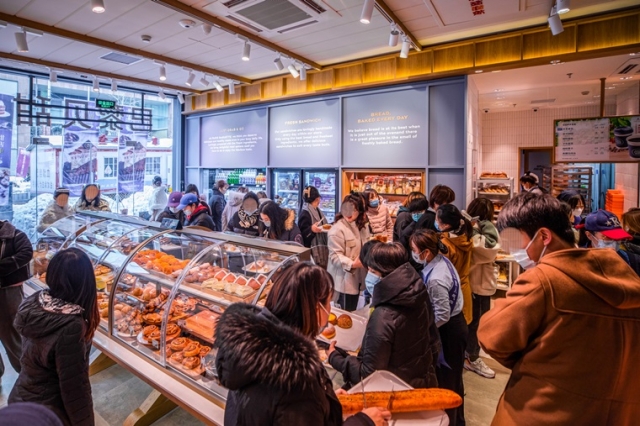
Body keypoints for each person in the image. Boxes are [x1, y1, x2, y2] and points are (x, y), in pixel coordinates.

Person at [478, 193, 640, 425]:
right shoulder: (627, 278)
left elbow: (492, 337)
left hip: (544, 411)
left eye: (514, 241)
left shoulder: (543, 280)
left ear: (544, 235)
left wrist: (531, 358)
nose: (514, 251)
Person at [215, 262, 390, 426]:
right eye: (328, 301)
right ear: (314, 308)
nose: (329, 308)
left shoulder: (250, 344)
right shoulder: (296, 380)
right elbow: (293, 405)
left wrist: (325, 402)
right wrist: (365, 421)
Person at [328, 242, 439, 390]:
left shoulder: (384, 316)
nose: (369, 275)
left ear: (384, 274)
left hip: (393, 391)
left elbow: (368, 375)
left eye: (372, 271)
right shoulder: (416, 294)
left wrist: (335, 358)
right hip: (419, 381)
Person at [9, 248, 100, 426]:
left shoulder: (36, 301)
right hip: (45, 411)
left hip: (22, 395)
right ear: (86, 282)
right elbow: (74, 389)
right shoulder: (71, 326)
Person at [410, 230, 467, 426]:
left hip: (449, 330)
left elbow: (442, 314)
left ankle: (450, 420)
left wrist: (425, 330)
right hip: (454, 322)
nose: (413, 254)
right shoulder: (441, 262)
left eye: (415, 250)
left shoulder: (436, 279)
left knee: (448, 383)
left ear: (426, 252)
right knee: (454, 380)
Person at [464, 198, 500, 379]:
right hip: (478, 281)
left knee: (473, 320)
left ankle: (470, 353)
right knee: (476, 321)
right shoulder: (482, 226)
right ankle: (472, 356)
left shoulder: (473, 227)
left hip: (472, 279)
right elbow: (490, 248)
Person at [0, 220, 32, 380]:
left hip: (8, 292)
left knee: (12, 335)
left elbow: (26, 253)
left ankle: (27, 376)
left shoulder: (15, 235)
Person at [327, 194, 370, 311]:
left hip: (359, 279)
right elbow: (335, 256)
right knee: (343, 316)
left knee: (352, 311)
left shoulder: (363, 226)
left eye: (354, 209)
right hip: (343, 283)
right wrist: (352, 264)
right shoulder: (337, 230)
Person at [436, 204, 473, 325]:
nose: (435, 222)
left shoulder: (445, 244)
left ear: (446, 225)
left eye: (437, 220)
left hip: (451, 292)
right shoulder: (465, 236)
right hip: (465, 287)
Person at [577, 209, 639, 276]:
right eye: (606, 237)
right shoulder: (578, 261)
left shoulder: (634, 261)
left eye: (617, 236)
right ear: (589, 235)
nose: (614, 241)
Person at [400, 185, 455, 250]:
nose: (449, 206)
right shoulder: (429, 218)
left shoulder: (431, 215)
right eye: (448, 203)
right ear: (436, 202)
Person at [298, 186, 329, 268]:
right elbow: (302, 236)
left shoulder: (316, 210)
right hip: (312, 252)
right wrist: (311, 230)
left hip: (320, 248)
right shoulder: (305, 213)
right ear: (317, 199)